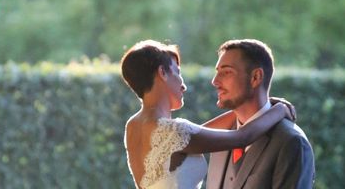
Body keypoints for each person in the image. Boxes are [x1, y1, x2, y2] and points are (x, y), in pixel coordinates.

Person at [120, 40, 295, 189]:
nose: (183, 85)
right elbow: (243, 136)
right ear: (162, 73)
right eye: (178, 73)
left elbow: (199, 134)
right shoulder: (174, 132)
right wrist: (280, 109)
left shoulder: (133, 126)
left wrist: (264, 104)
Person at [206, 39, 315, 189]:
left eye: (226, 72)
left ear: (255, 77)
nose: (215, 81)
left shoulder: (291, 142)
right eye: (217, 72)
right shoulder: (218, 138)